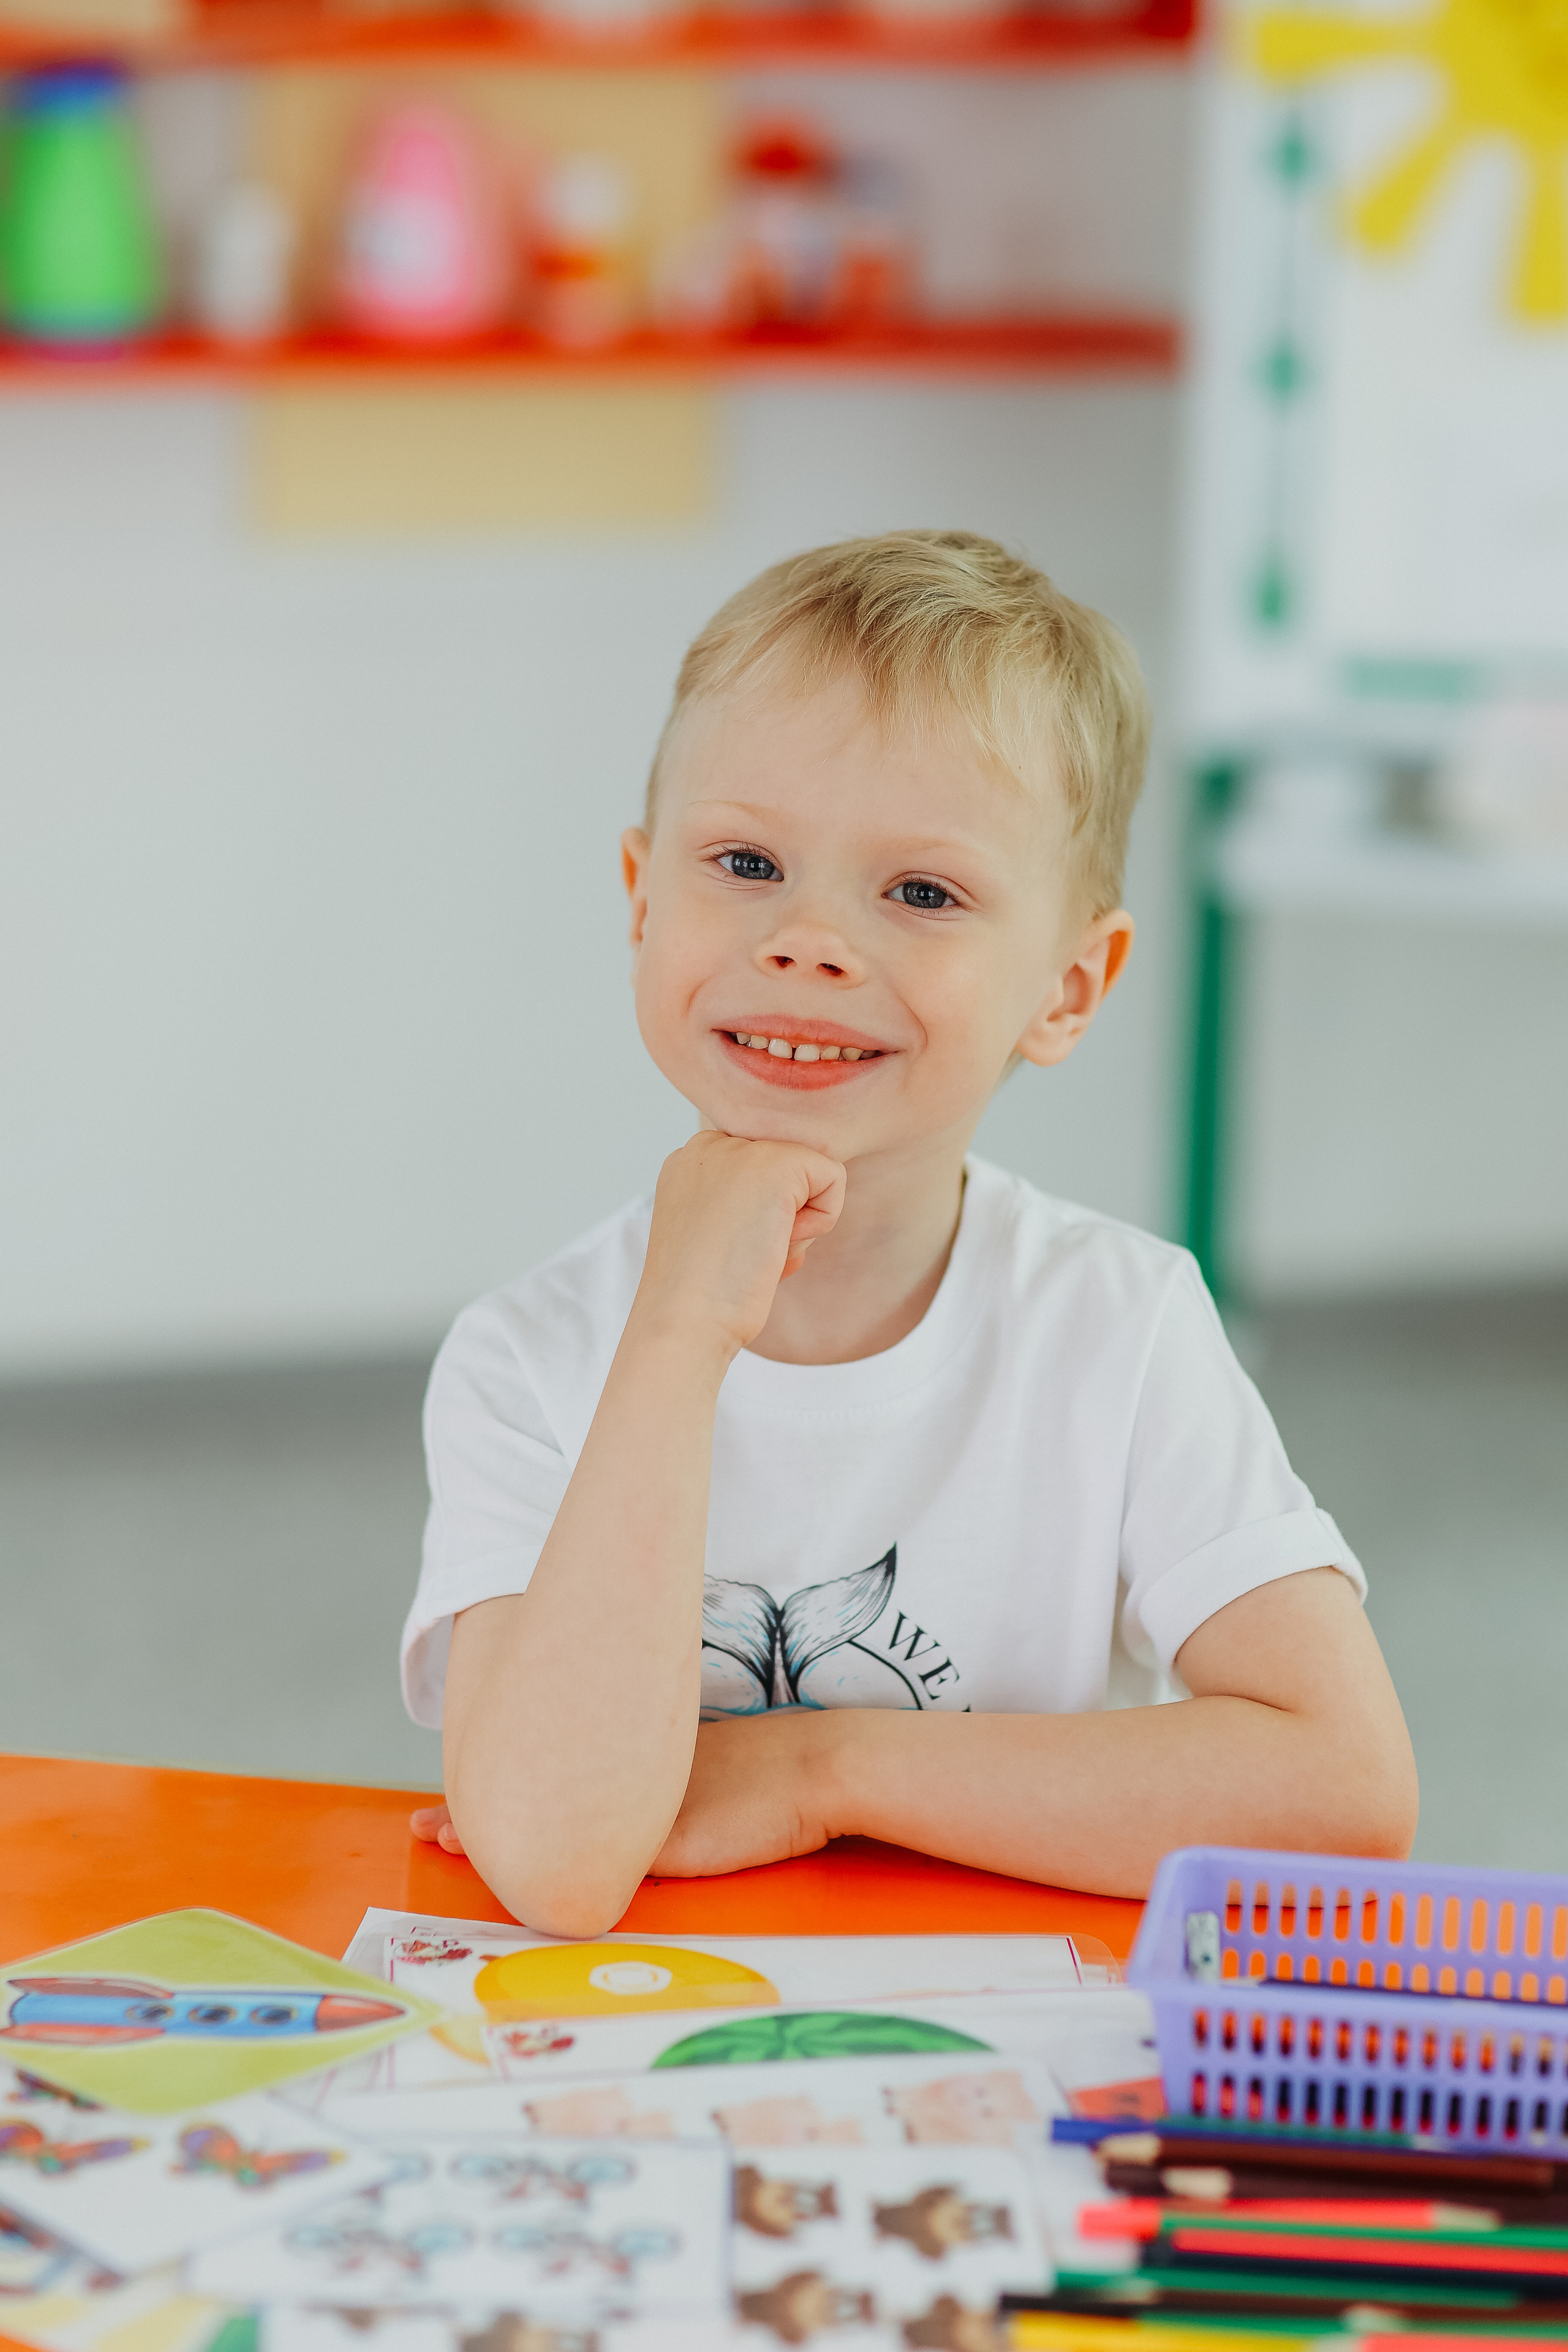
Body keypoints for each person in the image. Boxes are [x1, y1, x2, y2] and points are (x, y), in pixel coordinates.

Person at [402, 530, 1418, 1936]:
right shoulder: (530, 1358)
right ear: (641, 899)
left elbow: (1345, 1788)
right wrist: (680, 1333)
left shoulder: (1119, 1323)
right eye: (745, 860)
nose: (808, 940)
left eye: (921, 892)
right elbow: (556, 1865)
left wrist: (826, 1767)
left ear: (1067, 987)